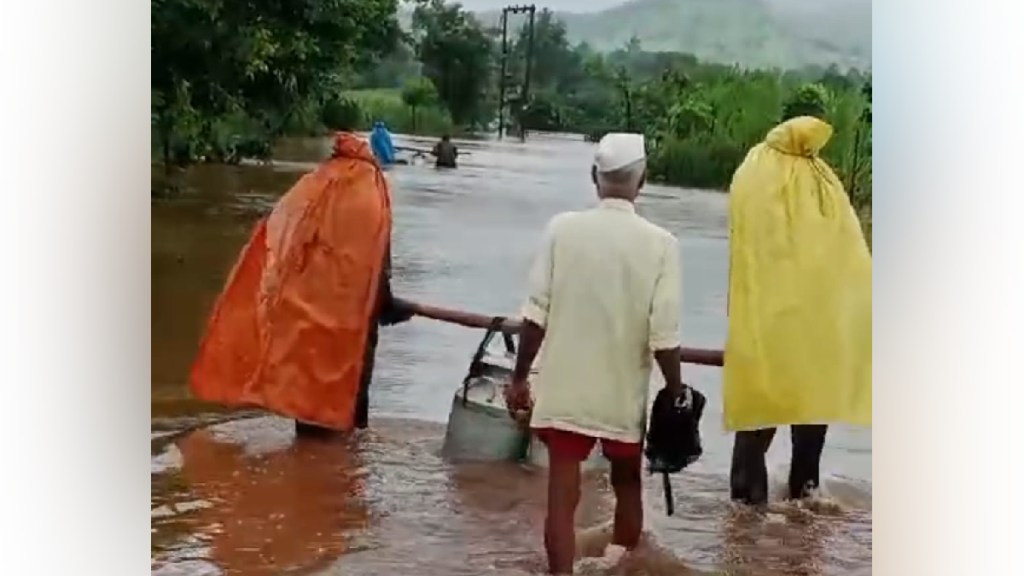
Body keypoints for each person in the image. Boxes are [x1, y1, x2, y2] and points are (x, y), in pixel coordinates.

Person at [504, 133, 686, 575]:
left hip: (566, 390)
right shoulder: (662, 244)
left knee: (562, 502)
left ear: (594, 178)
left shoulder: (561, 230)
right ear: (642, 182)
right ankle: (617, 566)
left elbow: (535, 317)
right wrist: (676, 391)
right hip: (623, 396)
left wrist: (520, 376)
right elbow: (663, 337)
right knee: (627, 486)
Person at [189, 120, 418, 438]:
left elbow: (288, 248)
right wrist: (388, 304)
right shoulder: (371, 195)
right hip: (349, 325)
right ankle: (338, 469)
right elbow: (375, 265)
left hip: (307, 315)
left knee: (310, 398)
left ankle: (312, 455)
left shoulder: (319, 188)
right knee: (346, 409)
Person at [724, 109, 872, 506]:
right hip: (816, 332)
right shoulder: (824, 185)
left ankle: (741, 536)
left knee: (754, 427)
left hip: (765, 327)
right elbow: (847, 261)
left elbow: (745, 253)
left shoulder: (754, 174)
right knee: (809, 440)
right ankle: (802, 537)